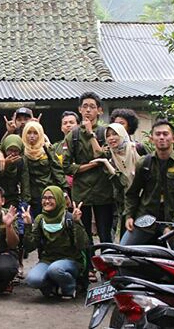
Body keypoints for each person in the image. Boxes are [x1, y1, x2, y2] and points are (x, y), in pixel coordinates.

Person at [122, 119, 174, 250]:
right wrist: (129, 216)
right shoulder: (144, 163)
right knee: (120, 253)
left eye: (165, 134)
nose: (161, 137)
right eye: (158, 134)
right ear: (151, 139)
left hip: (173, 221)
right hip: (145, 219)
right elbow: (132, 193)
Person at [62, 92, 114, 245]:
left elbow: (104, 155)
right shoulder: (73, 135)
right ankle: (88, 268)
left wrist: (91, 133)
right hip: (82, 192)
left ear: (100, 111)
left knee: (105, 234)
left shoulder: (106, 132)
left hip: (103, 190)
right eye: (85, 106)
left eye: (92, 107)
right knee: (83, 234)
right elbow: (66, 166)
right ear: (79, 109)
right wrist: (93, 164)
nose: (88, 110)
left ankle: (107, 267)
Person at [23, 186, 88, 299]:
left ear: (58, 199)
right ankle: (51, 286)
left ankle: (70, 287)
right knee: (32, 279)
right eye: (44, 198)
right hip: (48, 260)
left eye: (51, 198)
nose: (47, 201)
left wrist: (77, 223)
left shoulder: (69, 218)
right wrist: (28, 225)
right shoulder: (40, 219)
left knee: (56, 269)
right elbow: (29, 247)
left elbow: (83, 244)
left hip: (70, 261)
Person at [92, 123, 140, 239]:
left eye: (115, 134)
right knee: (126, 239)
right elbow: (121, 184)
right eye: (108, 136)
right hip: (127, 204)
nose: (111, 138)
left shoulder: (137, 148)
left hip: (145, 201)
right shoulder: (111, 157)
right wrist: (107, 164)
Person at [21, 120, 68, 217]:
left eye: (35, 133)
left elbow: (57, 170)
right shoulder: (21, 150)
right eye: (29, 133)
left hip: (49, 192)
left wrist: (64, 191)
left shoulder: (47, 149)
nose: (32, 136)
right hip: (32, 197)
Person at [0, 135, 24, 209]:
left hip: (12, 197)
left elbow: (23, 179)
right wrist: (4, 165)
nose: (13, 154)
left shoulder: (20, 160)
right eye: (10, 150)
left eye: (16, 151)